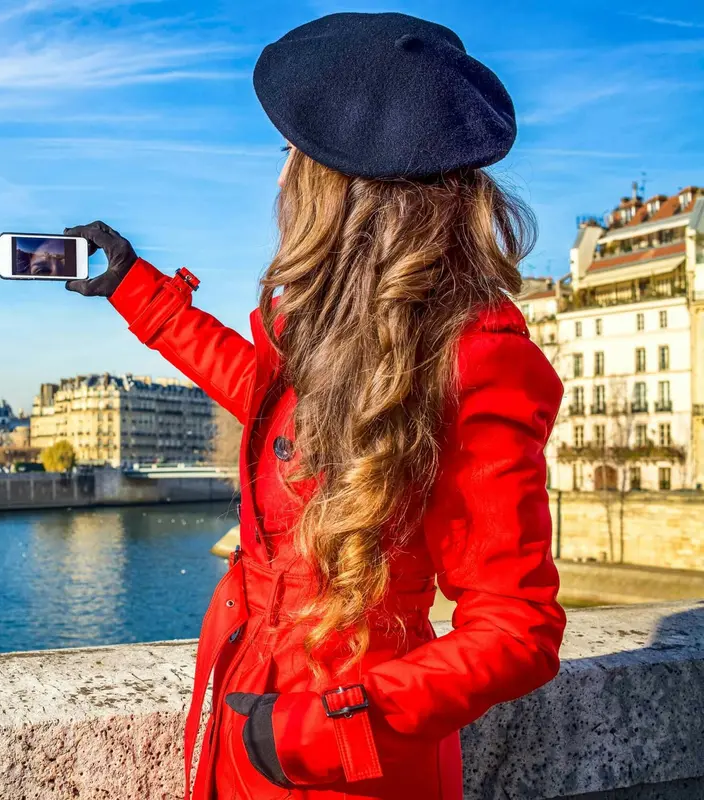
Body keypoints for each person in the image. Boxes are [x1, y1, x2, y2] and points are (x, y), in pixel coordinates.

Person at [65, 12, 564, 800]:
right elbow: (270, 409)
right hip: (245, 702)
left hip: (342, 756)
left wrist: (320, 728)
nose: (279, 177)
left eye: (293, 154)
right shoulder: (323, 324)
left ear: (344, 183)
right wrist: (138, 289)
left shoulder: (478, 358)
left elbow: (518, 629)